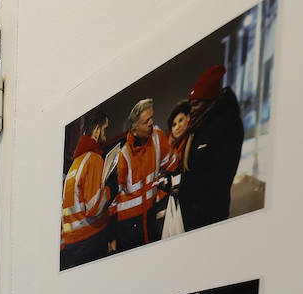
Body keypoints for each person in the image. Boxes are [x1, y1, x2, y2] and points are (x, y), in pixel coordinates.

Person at [177, 65, 244, 230]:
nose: (191, 110)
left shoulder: (227, 124)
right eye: (191, 105)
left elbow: (219, 174)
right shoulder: (199, 127)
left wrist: (190, 193)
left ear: (209, 101)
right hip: (192, 216)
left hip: (209, 218)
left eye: (196, 104)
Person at [111, 99, 170, 251]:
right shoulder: (123, 156)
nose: (151, 122)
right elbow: (113, 199)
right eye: (146, 121)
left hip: (152, 216)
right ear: (135, 130)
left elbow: (171, 166)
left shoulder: (158, 138)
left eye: (151, 118)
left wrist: (162, 199)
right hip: (129, 226)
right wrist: (112, 235)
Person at [60, 109, 114, 269]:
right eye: (105, 129)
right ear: (96, 131)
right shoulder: (94, 159)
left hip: (71, 245)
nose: (105, 134)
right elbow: (94, 207)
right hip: (90, 241)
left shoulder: (74, 165)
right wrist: (111, 188)